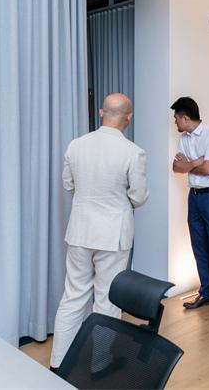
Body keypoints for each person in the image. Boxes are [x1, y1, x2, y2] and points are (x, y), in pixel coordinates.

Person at [49, 93, 149, 370]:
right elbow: (139, 197)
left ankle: (58, 363)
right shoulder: (133, 152)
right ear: (129, 118)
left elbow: (69, 185)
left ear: (101, 113)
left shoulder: (76, 145)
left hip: (80, 230)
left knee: (73, 296)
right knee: (106, 300)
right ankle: (99, 364)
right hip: (113, 235)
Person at [171, 96, 209, 318]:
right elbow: (176, 167)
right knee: (199, 246)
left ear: (185, 118)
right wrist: (196, 162)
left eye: (176, 118)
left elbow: (208, 170)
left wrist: (190, 164)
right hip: (194, 196)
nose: (175, 122)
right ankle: (207, 293)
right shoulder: (183, 138)